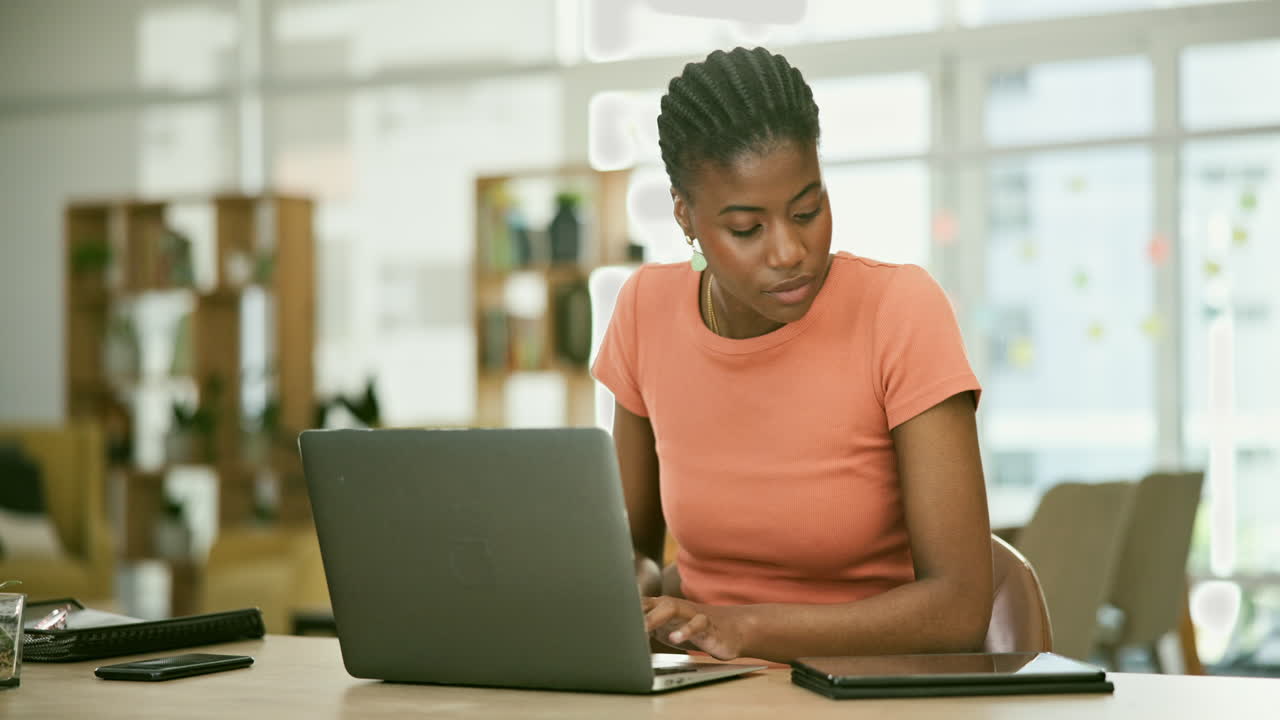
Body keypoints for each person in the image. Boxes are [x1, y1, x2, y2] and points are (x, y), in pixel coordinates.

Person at [591, 46, 992, 664]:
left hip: (865, 690)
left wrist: (742, 629)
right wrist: (619, 588)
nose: (789, 252)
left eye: (808, 210)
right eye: (746, 228)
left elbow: (960, 610)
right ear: (685, 216)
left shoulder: (898, 309)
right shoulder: (645, 309)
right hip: (701, 692)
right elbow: (636, 550)